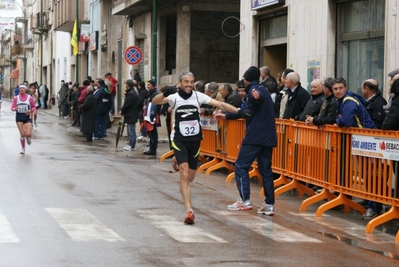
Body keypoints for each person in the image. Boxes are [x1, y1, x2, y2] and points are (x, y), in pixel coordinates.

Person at [151, 71, 242, 224]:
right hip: (179, 140)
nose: (189, 84)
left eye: (191, 81)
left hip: (195, 141)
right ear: (180, 83)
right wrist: (164, 91)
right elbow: (155, 101)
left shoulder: (198, 96)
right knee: (184, 174)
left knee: (190, 177)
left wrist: (239, 111)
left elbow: (220, 104)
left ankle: (177, 160)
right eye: (186, 81)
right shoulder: (174, 97)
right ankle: (189, 211)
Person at [214, 66, 277, 215]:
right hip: (268, 137)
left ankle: (244, 200)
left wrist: (228, 114)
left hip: (255, 136)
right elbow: (251, 110)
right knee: (266, 170)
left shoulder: (255, 90)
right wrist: (226, 116)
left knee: (241, 165)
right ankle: (269, 205)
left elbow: (249, 110)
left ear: (246, 79)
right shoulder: (263, 90)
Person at [10, 84, 36, 154]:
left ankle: (28, 138)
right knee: (22, 134)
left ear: (26, 90)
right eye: (20, 88)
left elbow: (34, 107)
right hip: (19, 118)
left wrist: (30, 111)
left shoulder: (29, 98)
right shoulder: (16, 98)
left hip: (27, 118)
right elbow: (12, 108)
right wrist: (15, 108)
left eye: (23, 88)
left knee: (28, 134)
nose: (21, 90)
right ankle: (23, 148)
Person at [120, 80, 140, 151]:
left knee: (131, 131)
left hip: (131, 114)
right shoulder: (132, 92)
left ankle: (131, 145)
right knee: (130, 130)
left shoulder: (131, 94)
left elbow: (126, 104)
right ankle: (130, 144)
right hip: (131, 114)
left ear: (128, 85)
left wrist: (122, 111)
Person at [143, 79, 161, 155]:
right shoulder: (150, 94)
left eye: (149, 84)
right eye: (147, 84)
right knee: (151, 133)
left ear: (153, 85)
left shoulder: (155, 94)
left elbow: (157, 105)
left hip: (153, 116)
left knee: (153, 133)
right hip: (149, 116)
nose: (147, 86)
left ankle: (153, 149)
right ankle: (151, 148)